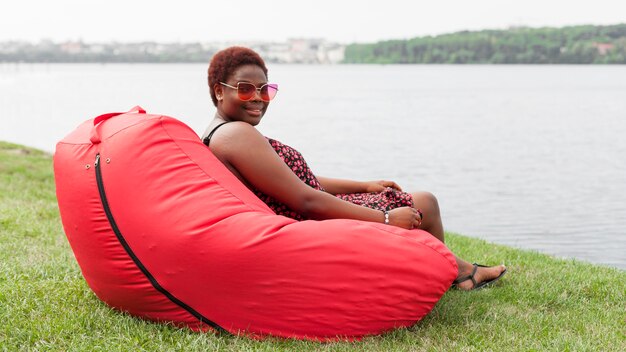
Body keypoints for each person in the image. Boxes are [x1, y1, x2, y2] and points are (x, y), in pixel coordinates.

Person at [202, 46, 506, 290]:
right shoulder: (236, 134)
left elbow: (290, 180)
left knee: (415, 200)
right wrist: (385, 218)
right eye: (244, 89)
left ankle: (454, 270)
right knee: (423, 202)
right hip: (307, 224)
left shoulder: (225, 131)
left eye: (265, 89)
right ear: (219, 91)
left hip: (306, 214)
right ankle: (455, 275)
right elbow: (304, 199)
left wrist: (362, 185)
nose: (257, 97)